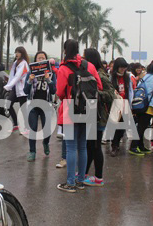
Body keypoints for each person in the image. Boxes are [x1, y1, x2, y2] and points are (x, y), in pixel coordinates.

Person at [55, 39, 102, 193]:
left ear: (64, 50)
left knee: (70, 147)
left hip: (70, 109)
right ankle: (81, 180)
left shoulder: (63, 69)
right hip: (88, 109)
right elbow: (99, 86)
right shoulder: (90, 66)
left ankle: (70, 183)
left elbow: (60, 92)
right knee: (82, 147)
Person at [83, 48, 116, 187]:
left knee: (95, 147)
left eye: (84, 57)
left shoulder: (100, 75)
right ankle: (85, 173)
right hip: (92, 115)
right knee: (90, 146)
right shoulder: (89, 73)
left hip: (99, 116)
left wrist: (96, 93)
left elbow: (111, 94)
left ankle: (98, 177)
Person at [23, 51, 57, 162]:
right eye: (38, 58)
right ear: (35, 61)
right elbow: (25, 91)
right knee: (32, 128)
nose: (40, 60)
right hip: (33, 105)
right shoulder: (30, 74)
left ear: (46, 61)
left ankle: (46, 143)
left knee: (47, 129)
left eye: (43, 58)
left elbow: (53, 91)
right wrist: (30, 80)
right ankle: (32, 151)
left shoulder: (51, 74)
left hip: (46, 105)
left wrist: (48, 79)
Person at [110, 58, 134, 157]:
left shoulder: (128, 77)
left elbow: (131, 91)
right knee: (115, 125)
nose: (123, 69)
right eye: (121, 67)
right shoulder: (112, 77)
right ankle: (114, 145)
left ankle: (116, 143)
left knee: (122, 126)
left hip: (125, 104)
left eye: (124, 67)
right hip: (115, 105)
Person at [4, 46, 30, 132]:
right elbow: (12, 76)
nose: (16, 54)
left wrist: (8, 86)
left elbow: (17, 76)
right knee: (8, 105)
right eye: (16, 52)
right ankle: (15, 124)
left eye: (18, 52)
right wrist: (9, 85)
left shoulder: (24, 64)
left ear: (22, 53)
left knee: (23, 109)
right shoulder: (16, 62)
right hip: (15, 88)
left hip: (22, 89)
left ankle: (27, 127)